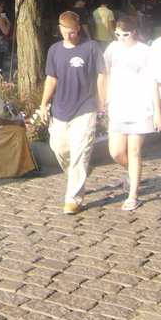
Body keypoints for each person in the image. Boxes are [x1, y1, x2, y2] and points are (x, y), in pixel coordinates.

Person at [40, 11, 107, 215]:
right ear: (59, 28)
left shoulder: (91, 47)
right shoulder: (54, 50)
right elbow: (52, 78)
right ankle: (78, 172)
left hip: (84, 107)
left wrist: (100, 101)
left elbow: (102, 74)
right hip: (60, 108)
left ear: (78, 28)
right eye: (64, 31)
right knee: (59, 148)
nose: (68, 35)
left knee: (80, 151)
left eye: (71, 32)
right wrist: (44, 103)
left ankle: (73, 198)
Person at [104, 16, 161, 212]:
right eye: (118, 34)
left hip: (140, 107)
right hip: (117, 107)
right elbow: (103, 74)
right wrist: (102, 99)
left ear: (134, 32)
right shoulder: (112, 49)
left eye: (125, 35)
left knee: (134, 151)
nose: (121, 38)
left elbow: (153, 81)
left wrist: (157, 112)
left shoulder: (145, 51)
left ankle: (133, 194)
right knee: (116, 152)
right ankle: (132, 174)